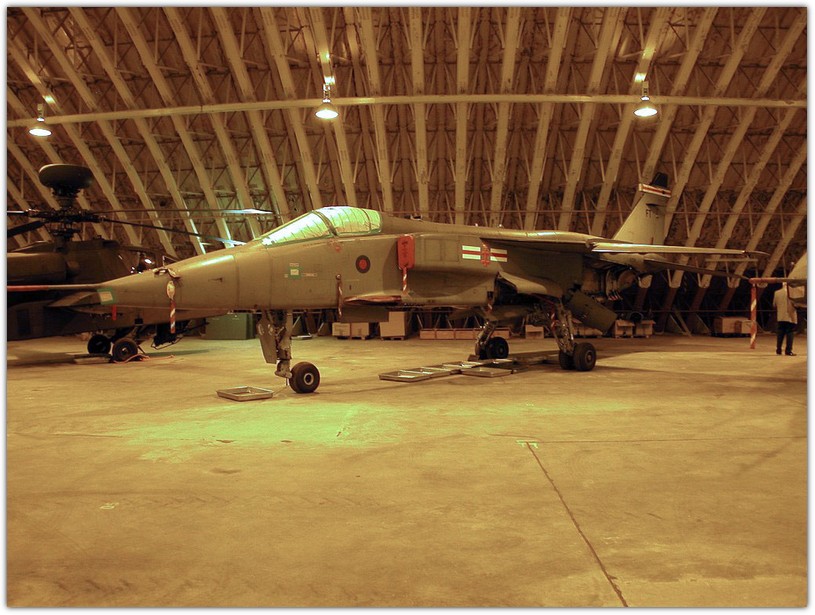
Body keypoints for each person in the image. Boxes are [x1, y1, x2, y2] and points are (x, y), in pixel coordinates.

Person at [773, 282, 798, 356]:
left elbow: (774, 304)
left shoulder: (776, 293)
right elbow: (796, 304)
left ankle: (778, 350)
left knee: (780, 333)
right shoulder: (793, 293)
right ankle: (788, 351)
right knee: (790, 333)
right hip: (790, 316)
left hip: (780, 316)